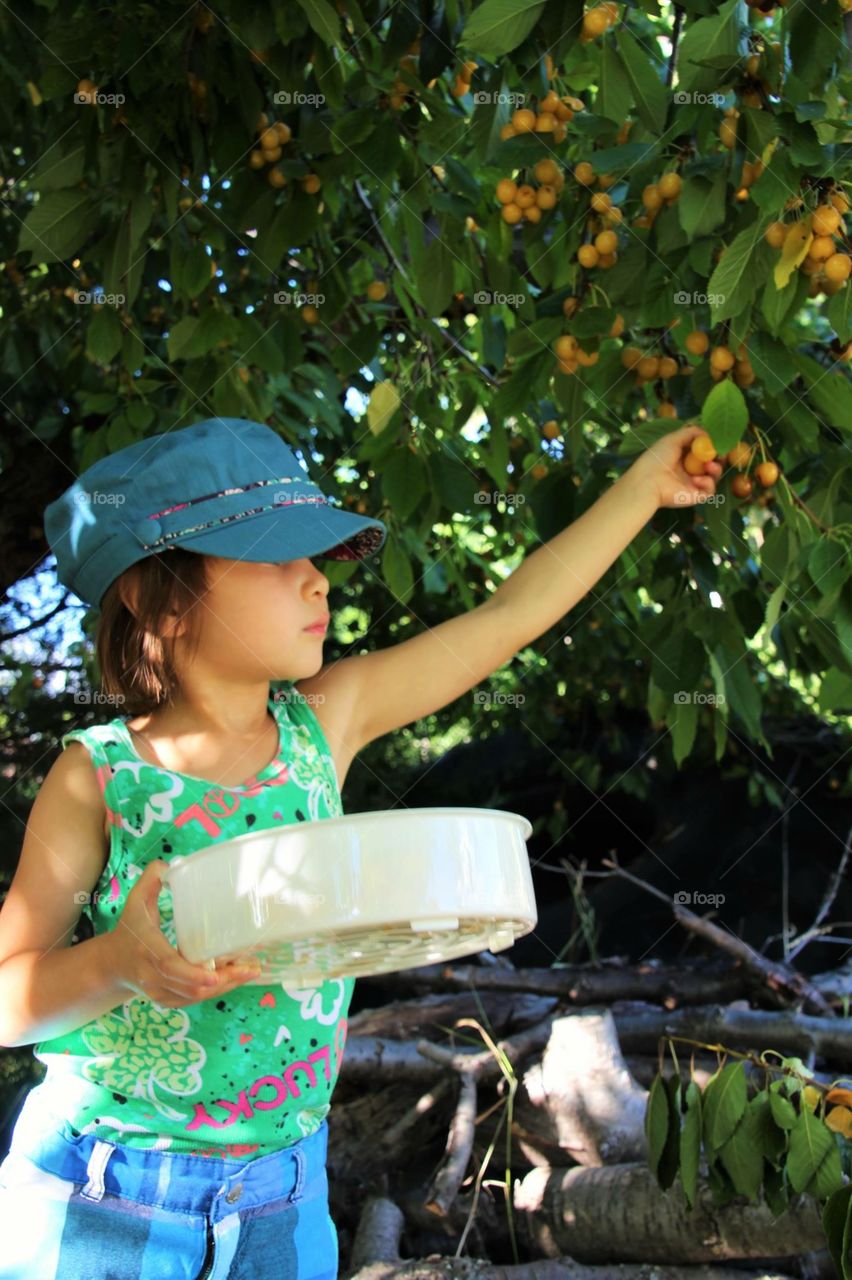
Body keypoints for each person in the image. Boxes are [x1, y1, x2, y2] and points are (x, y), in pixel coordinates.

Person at [0, 415, 721, 1278]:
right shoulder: (99, 777)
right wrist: (118, 962)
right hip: (103, 1195)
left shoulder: (326, 723)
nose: (317, 580)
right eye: (275, 558)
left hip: (283, 1197)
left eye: (314, 557)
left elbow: (509, 616)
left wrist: (644, 488)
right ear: (160, 602)